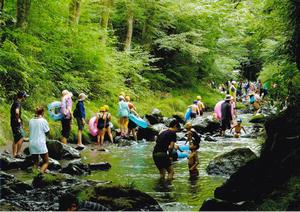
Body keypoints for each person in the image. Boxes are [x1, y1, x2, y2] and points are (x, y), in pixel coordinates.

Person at [29, 106, 50, 174]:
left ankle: (34, 176)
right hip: (40, 143)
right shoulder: (43, 121)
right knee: (46, 162)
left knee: (35, 163)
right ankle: (40, 174)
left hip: (32, 143)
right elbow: (47, 132)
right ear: (43, 112)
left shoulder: (31, 120)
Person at [10, 91, 29, 158]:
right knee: (19, 138)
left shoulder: (16, 102)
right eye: (25, 97)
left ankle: (16, 154)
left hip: (14, 123)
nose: (25, 98)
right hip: (16, 124)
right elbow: (17, 112)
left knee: (18, 138)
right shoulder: (17, 103)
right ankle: (16, 154)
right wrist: (18, 119)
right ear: (22, 96)